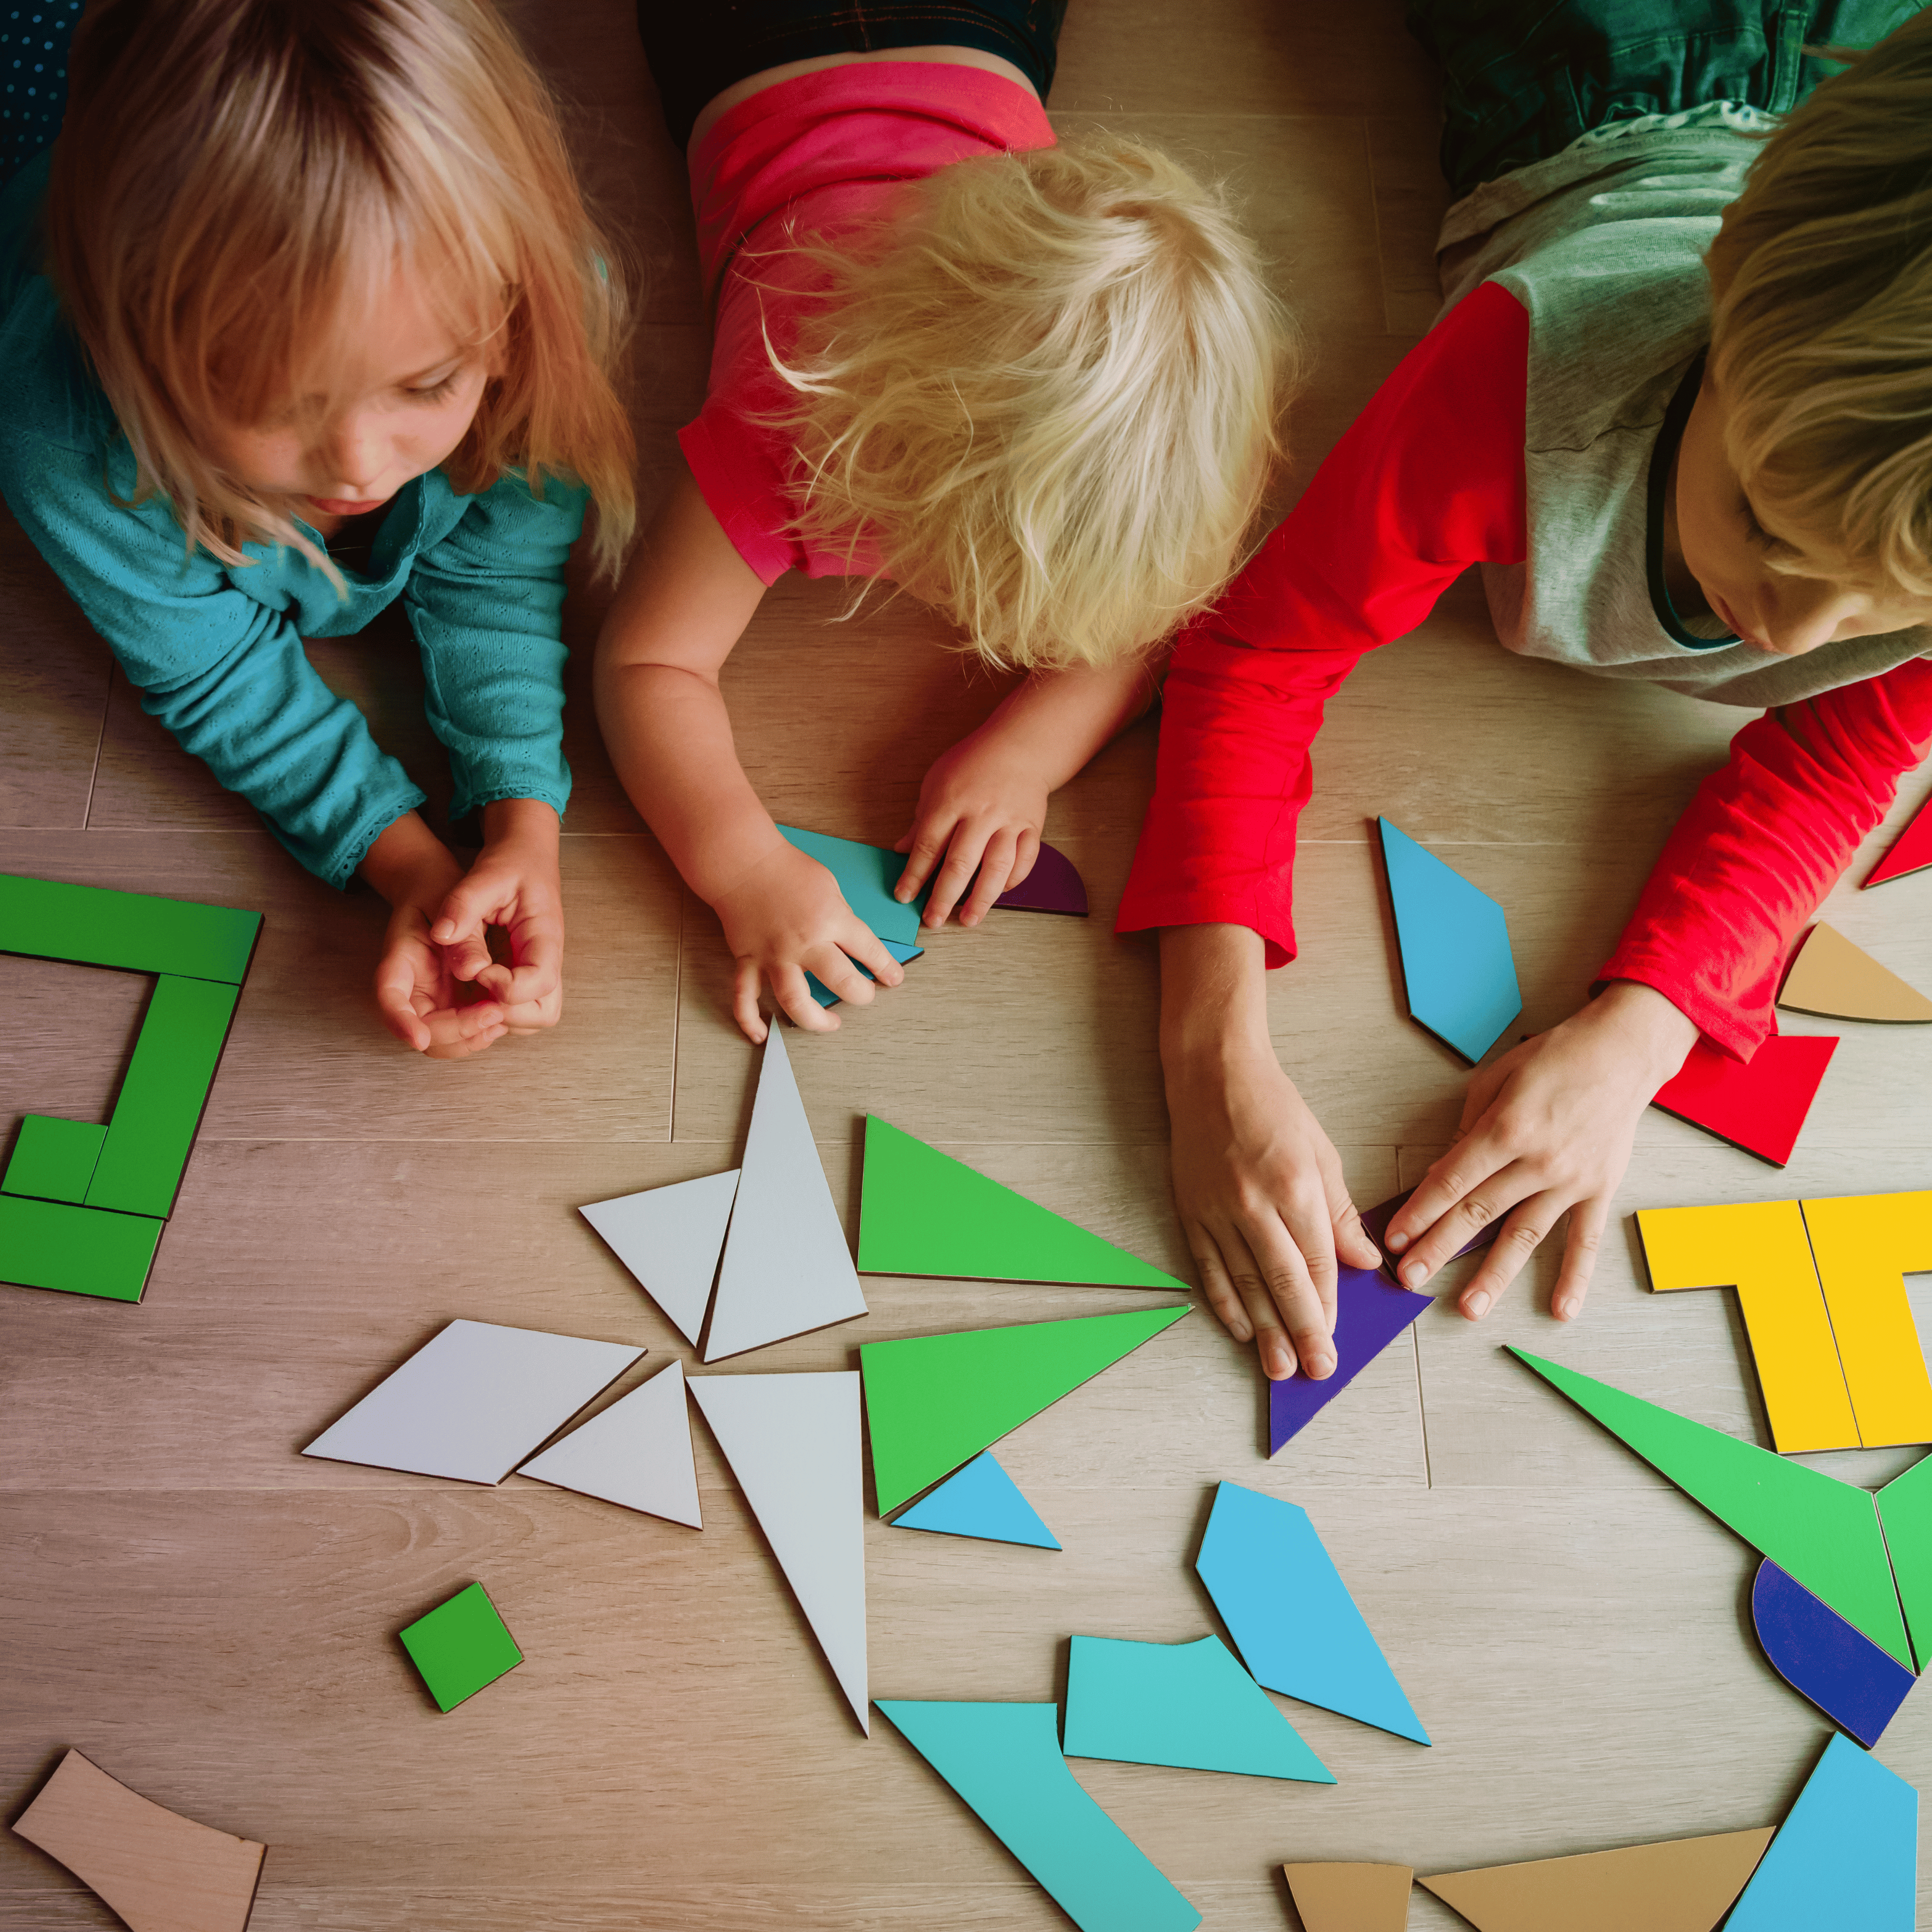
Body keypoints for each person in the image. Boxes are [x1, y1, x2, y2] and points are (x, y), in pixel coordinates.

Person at [1121, 2, 1932, 1381]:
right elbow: (1258, 652)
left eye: (1883, 606)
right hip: (1598, 79)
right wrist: (1207, 1051)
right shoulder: (1517, 369)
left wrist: (1641, 1029)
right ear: (1728, 282)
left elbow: (1831, 767)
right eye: (1759, 522)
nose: (1792, 624)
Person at [598, 3, 1293, 1041]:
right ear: (901, 493)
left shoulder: (1150, 463)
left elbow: (1151, 618)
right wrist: (745, 869)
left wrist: (1027, 752)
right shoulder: (787, 429)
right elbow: (643, 668)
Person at [0, 0, 636, 1058]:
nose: (359, 465)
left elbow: (497, 573)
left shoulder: (547, 306)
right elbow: (216, 675)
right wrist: (406, 864)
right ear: (139, 361)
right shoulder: (57, 426)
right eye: (277, 407)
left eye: (427, 385)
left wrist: (520, 815)